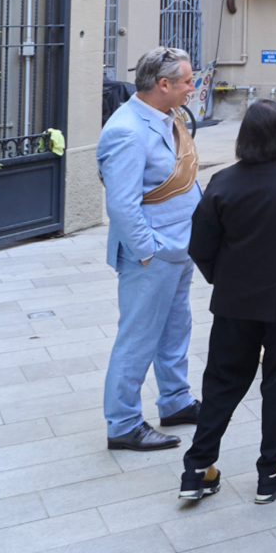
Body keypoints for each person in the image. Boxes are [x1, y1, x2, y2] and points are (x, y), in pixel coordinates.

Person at [177, 99, 276, 504]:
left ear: (244, 136)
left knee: (222, 381)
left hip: (238, 301)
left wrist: (227, 279)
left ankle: (198, 468)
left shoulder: (223, 183)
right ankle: (272, 472)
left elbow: (200, 245)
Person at [96, 45, 203, 451]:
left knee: (176, 329)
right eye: (187, 81)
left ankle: (175, 401)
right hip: (154, 254)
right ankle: (123, 424)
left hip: (179, 247)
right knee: (138, 338)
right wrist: (149, 250)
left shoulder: (164, 115)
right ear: (163, 84)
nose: (192, 88)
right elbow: (121, 203)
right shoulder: (126, 129)